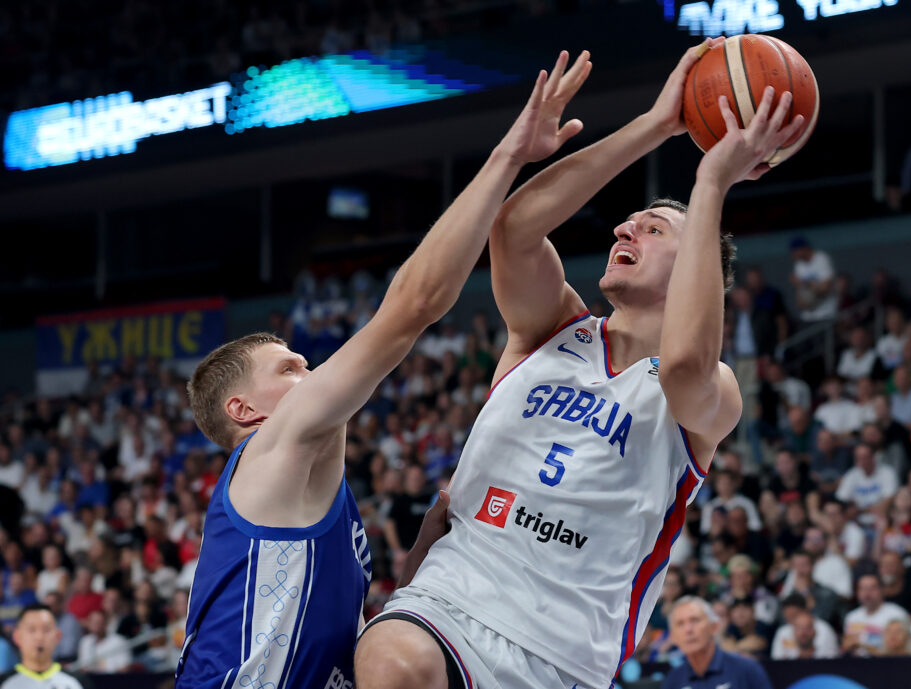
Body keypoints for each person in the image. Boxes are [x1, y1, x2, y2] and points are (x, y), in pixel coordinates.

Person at [356, 40, 805, 689]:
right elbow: (514, 230)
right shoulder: (551, 327)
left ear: (698, 264)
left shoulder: (715, 390)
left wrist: (712, 182)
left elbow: (684, 366)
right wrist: (657, 123)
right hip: (453, 598)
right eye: (627, 224)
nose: (624, 231)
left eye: (653, 229)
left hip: (564, 654)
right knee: (394, 663)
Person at [174, 50, 594, 689]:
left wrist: (422, 555)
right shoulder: (270, 451)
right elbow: (414, 305)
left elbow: (338, 646)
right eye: (289, 369)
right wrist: (509, 155)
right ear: (245, 411)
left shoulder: (311, 496)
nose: (312, 373)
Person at [660, 598, 773, 689]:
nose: (688, 629)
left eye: (695, 620)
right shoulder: (673, 681)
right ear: (673, 637)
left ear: (714, 627)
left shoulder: (747, 669)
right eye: (680, 624)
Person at [0, 605, 92, 689]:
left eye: (46, 629)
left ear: (58, 636)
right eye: (31, 630)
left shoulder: (78, 682)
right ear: (17, 637)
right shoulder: (4, 683)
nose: (39, 637)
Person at [843, 572, 909, 656]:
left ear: (882, 590)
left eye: (872, 588)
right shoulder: (851, 617)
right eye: (863, 588)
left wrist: (864, 646)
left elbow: (901, 649)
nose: (867, 593)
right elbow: (846, 646)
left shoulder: (897, 614)